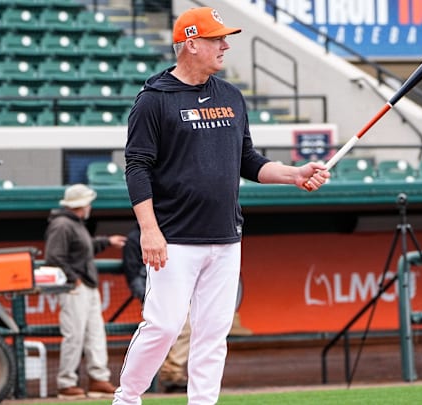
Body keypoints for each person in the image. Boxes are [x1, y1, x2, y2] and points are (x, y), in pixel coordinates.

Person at [113, 7, 329, 405]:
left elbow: (248, 160)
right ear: (191, 43)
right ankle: (127, 398)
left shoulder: (230, 95)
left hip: (226, 237)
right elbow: (137, 166)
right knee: (162, 326)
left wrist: (293, 173)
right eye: (217, 39)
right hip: (174, 238)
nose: (225, 45)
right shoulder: (152, 100)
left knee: (213, 333)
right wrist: (149, 229)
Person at [44, 183, 127, 400]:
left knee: (95, 335)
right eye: (88, 202)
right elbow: (53, 257)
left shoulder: (75, 223)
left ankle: (98, 379)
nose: (90, 206)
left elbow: (86, 246)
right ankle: (66, 383)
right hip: (73, 288)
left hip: (87, 287)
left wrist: (107, 242)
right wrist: (74, 279)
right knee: (74, 336)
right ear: (80, 205)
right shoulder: (62, 224)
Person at [122, 226, 190, 393]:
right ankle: (131, 387)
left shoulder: (173, 231)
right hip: (153, 294)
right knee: (158, 333)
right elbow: (133, 275)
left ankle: (172, 372)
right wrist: (146, 296)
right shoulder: (134, 239)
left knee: (187, 326)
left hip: (176, 291)